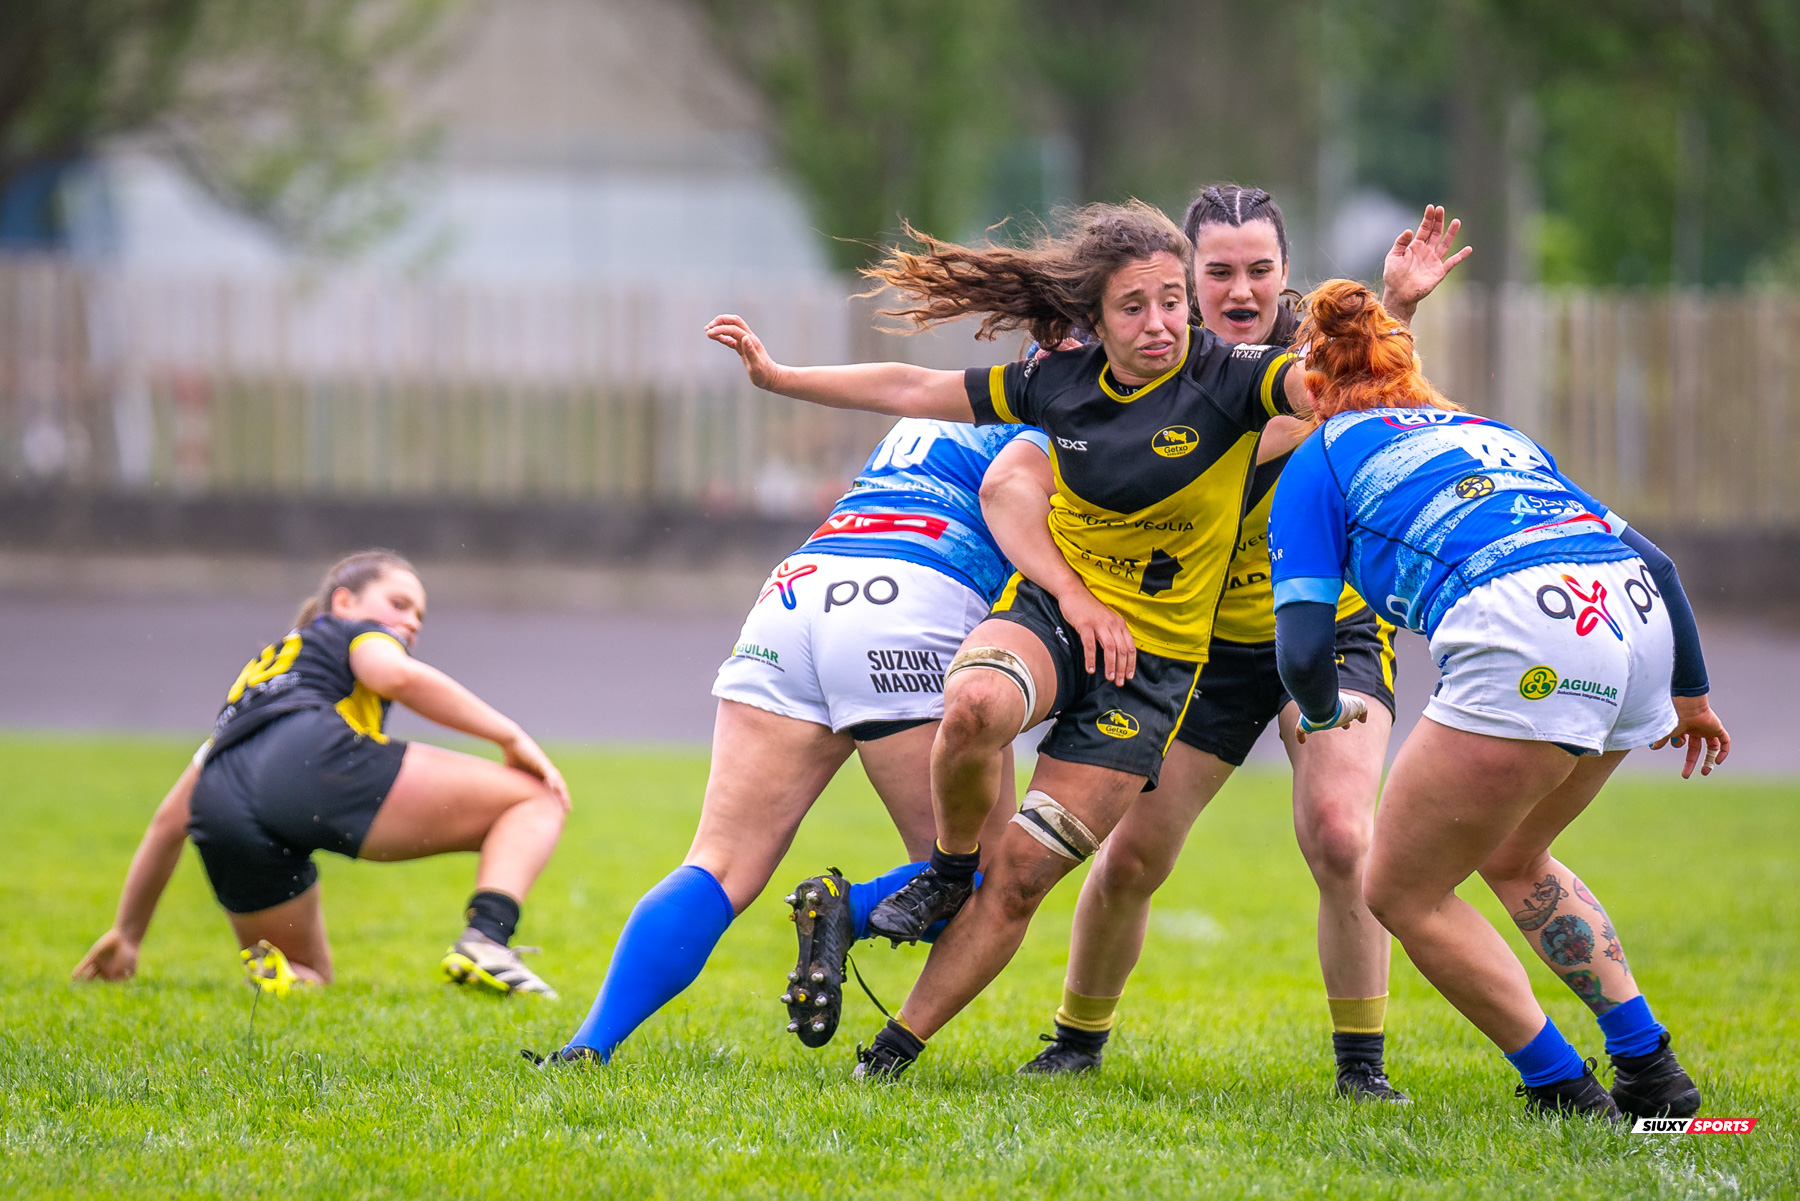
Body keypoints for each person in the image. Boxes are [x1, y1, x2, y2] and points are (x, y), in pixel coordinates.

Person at [705, 200, 1313, 1080]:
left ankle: (891, 1053)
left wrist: (1393, 316)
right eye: (1134, 306)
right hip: (1057, 616)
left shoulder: (1234, 376)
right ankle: (949, 869)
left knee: (1024, 873)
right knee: (975, 702)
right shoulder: (1057, 384)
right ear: (1095, 317)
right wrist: (778, 375)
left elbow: (1332, 390)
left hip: (1152, 668)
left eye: (1173, 302)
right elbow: (911, 387)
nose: (1160, 324)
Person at [981, 188, 1467, 1100]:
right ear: (1186, 277)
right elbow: (1038, 462)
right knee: (1133, 856)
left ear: (1287, 273)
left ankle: (1362, 1068)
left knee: (1342, 835)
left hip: (1332, 629)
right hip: (1210, 646)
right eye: (1219, 272)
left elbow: (1360, 395)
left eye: (1260, 270)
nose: (1241, 289)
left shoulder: (1305, 363)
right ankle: (1075, 1042)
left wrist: (1396, 307)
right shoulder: (1153, 365)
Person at [1268, 279, 1729, 1120]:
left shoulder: (1319, 456)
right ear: (1406, 367)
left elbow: (1302, 648)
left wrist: (1325, 713)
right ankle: (1650, 1069)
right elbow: (1659, 563)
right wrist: (1691, 696)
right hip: (1634, 617)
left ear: (1313, 384)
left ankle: (1561, 1085)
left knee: (1398, 890)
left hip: (1527, 627)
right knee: (1516, 853)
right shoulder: (1490, 432)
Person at [544, 419, 1040, 1064]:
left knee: (719, 863)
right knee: (981, 876)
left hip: (795, 590)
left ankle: (586, 1047)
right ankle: (846, 910)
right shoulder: (1070, 405)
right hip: (913, 595)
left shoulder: (943, 399)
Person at [73, 550, 570, 997]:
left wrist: (127, 934)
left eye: (419, 615)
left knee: (307, 974)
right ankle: (487, 939)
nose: (411, 622)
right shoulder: (352, 631)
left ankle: (284, 977)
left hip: (221, 803)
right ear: (344, 602)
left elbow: (169, 822)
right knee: (536, 799)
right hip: (311, 762)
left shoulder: (262, 681)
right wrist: (511, 737)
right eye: (399, 604)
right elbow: (395, 676)